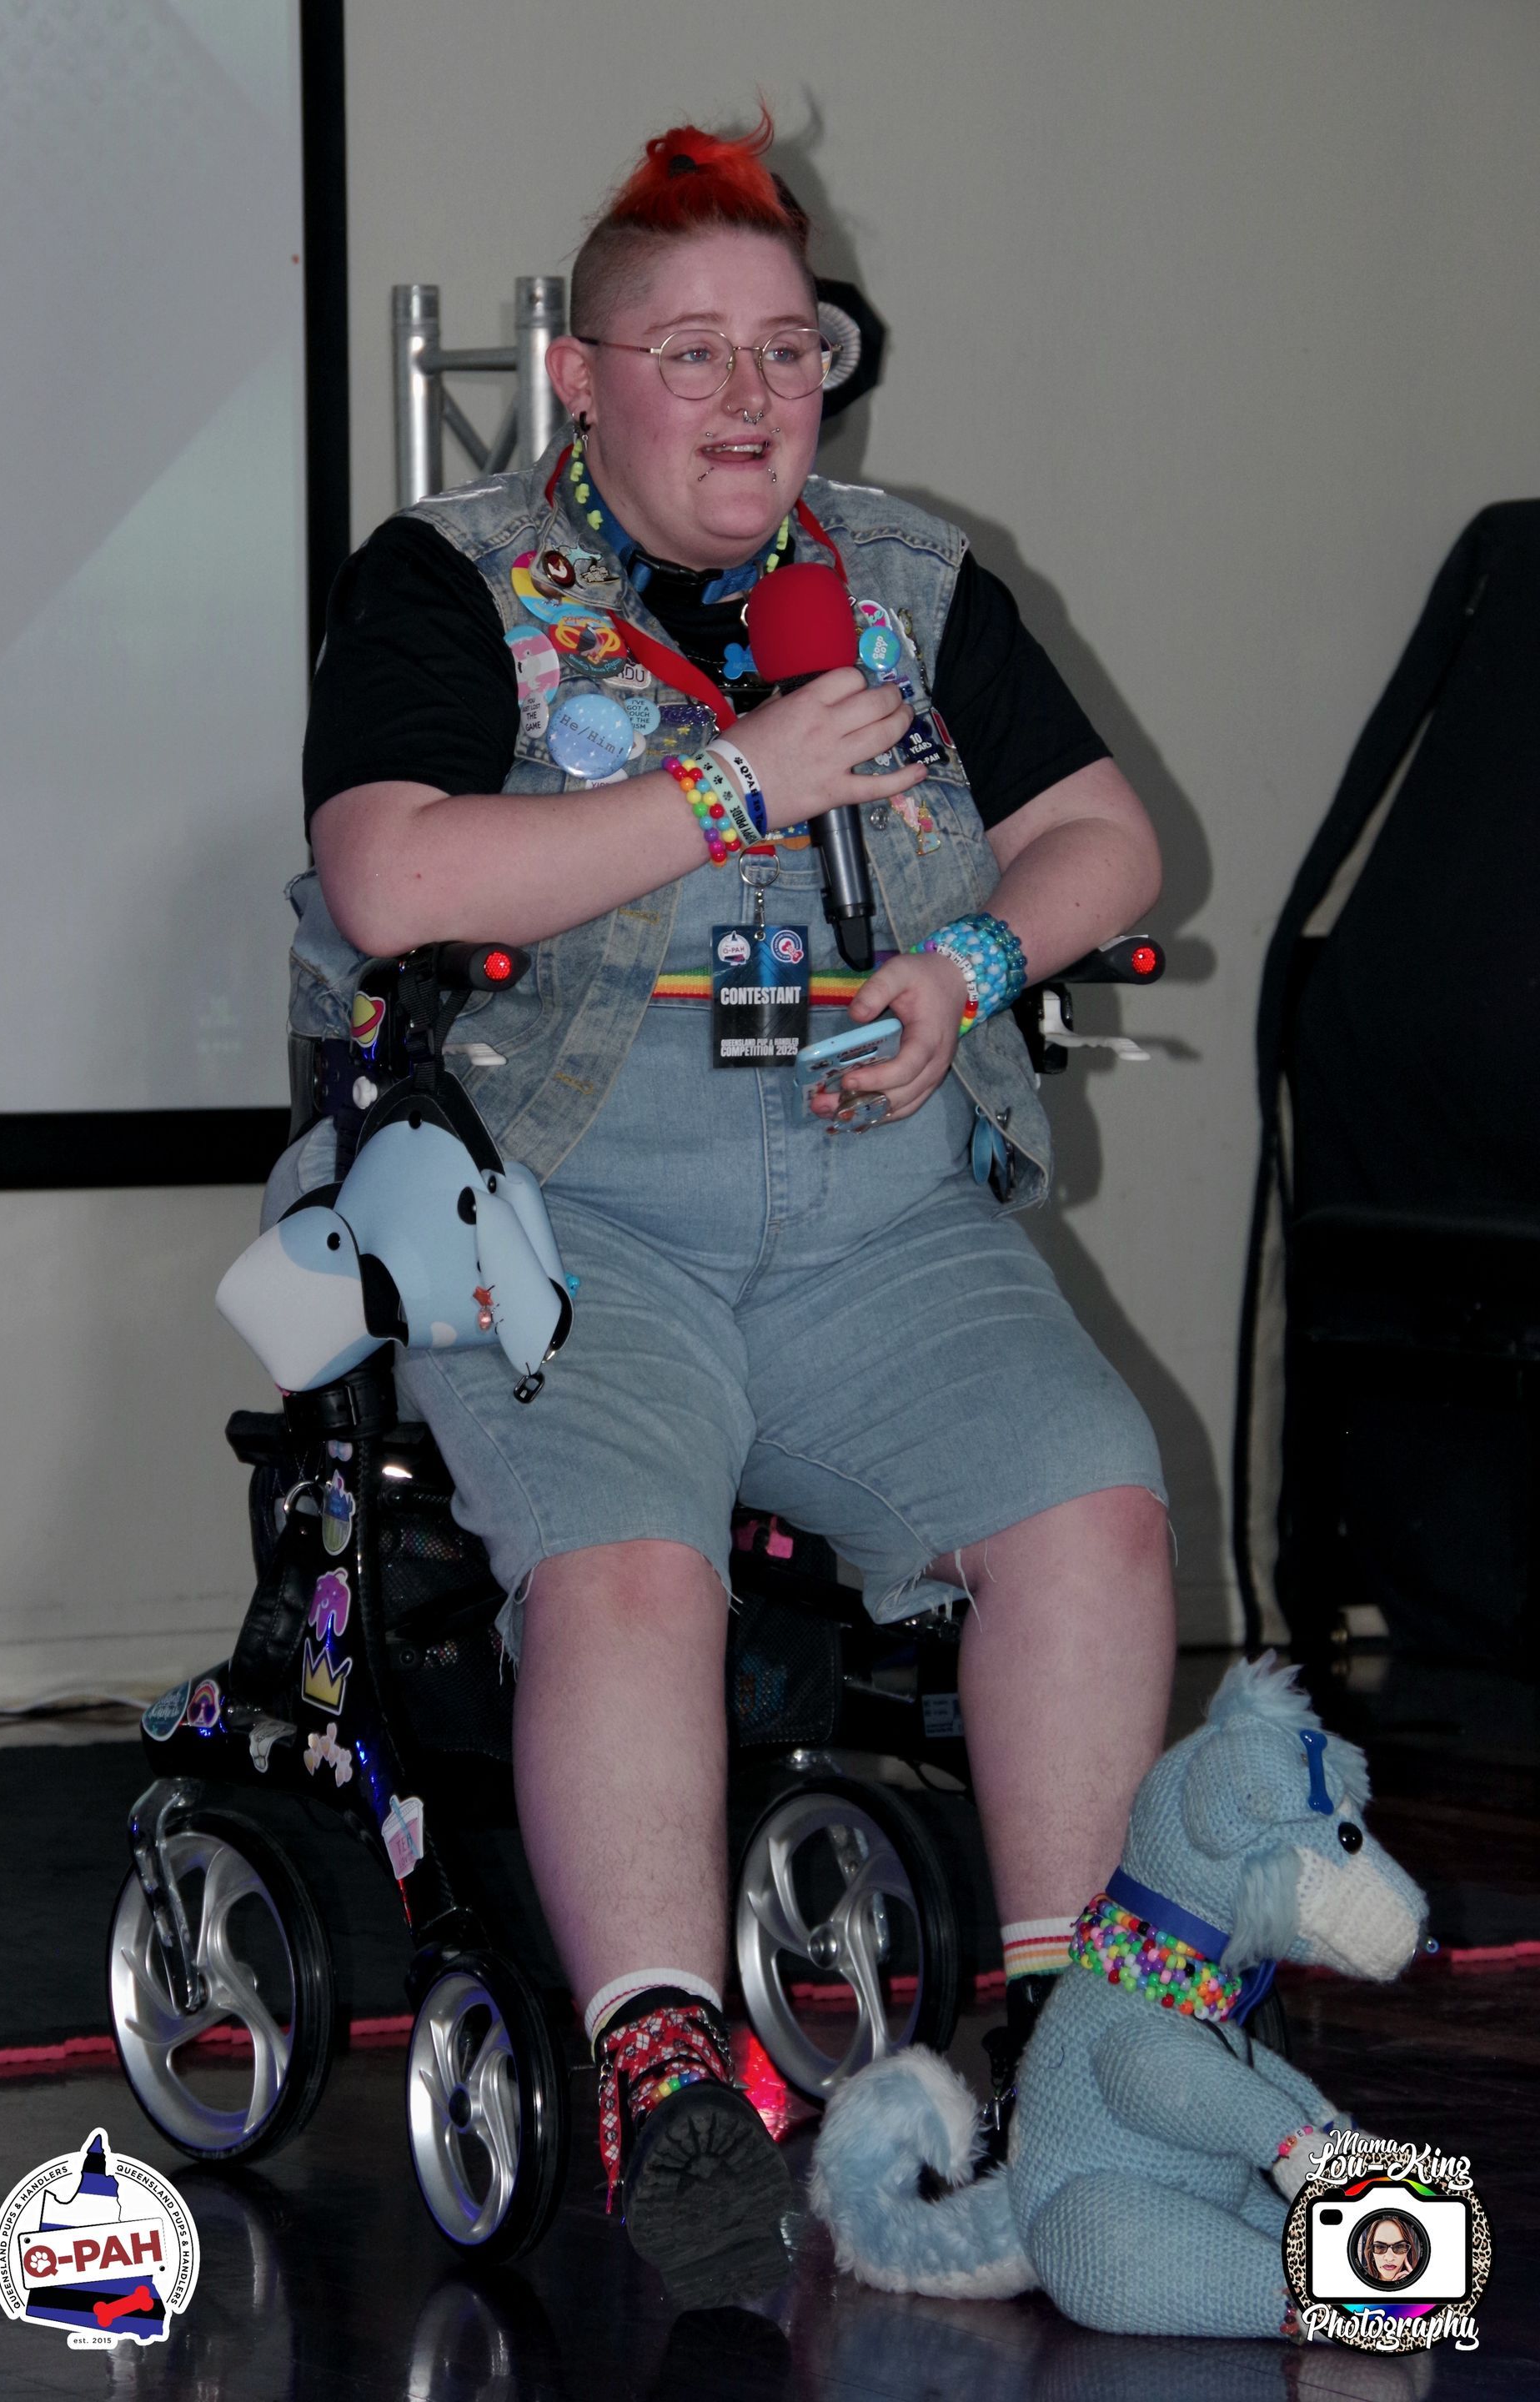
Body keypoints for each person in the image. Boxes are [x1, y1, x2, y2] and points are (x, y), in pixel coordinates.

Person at [281, 113, 1175, 2305]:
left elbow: (1106, 835)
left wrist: (974, 963)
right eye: (691, 351)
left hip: (881, 1220)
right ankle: (661, 2061)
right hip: (576, 1218)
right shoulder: (453, 579)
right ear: (579, 380)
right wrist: (732, 779)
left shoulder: (909, 582)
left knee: (1092, 1497)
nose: (756, 394)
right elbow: (391, 874)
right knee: (630, 1579)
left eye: (792, 347)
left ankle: (1068, 2036)